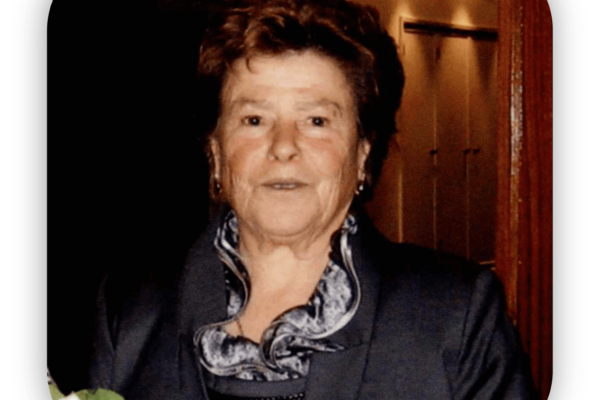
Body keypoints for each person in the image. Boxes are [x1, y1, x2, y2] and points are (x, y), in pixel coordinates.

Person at [88, 1, 532, 399]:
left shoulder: (455, 315)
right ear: (216, 154)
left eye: (316, 120)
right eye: (254, 119)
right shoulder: (132, 310)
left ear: (362, 154)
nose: (284, 146)